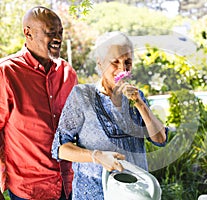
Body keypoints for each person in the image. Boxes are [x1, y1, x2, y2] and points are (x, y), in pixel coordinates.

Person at [51, 31, 168, 199]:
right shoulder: (82, 95)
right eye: (115, 62)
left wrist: (140, 104)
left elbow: (160, 139)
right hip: (94, 192)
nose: (123, 68)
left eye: (128, 62)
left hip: (134, 193)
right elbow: (60, 149)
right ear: (100, 63)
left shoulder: (137, 96)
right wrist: (96, 156)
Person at [0, 6, 77, 200]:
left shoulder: (68, 72)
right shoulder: (6, 73)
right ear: (28, 33)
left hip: (67, 184)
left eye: (60, 32)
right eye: (51, 33)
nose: (58, 38)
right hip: (29, 189)